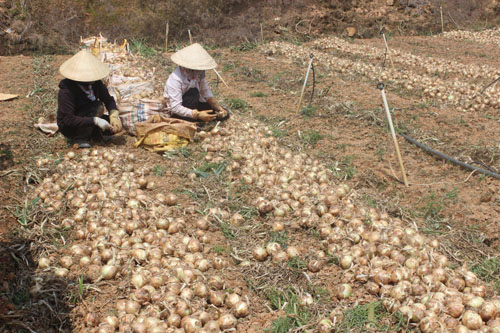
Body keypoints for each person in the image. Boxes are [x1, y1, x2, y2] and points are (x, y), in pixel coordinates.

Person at [57, 49, 122, 148]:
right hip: (70, 126)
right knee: (97, 107)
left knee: (110, 126)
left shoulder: (96, 84)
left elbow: (108, 100)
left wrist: (113, 116)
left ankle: (95, 136)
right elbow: (68, 119)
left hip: (88, 115)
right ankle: (79, 139)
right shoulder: (66, 91)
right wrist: (95, 121)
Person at [163, 43, 228, 123]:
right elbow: (176, 107)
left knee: (215, 112)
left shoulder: (199, 73)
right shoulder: (175, 79)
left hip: (194, 103)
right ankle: (193, 119)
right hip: (178, 109)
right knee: (192, 93)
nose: (200, 72)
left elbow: (204, 90)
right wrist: (197, 114)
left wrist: (214, 103)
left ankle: (199, 117)